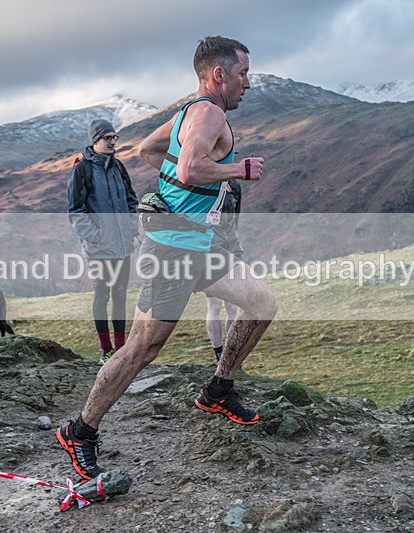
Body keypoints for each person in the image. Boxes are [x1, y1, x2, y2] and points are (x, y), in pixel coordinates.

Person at [57, 36, 278, 481]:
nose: (247, 84)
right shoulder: (209, 112)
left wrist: (181, 194)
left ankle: (219, 388)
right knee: (143, 347)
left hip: (202, 244)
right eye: (243, 74)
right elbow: (189, 169)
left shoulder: (186, 113)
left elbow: (148, 152)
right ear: (219, 74)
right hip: (175, 247)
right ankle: (79, 430)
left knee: (261, 304)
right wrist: (239, 170)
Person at [67, 119, 139, 364]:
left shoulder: (118, 167)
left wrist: (132, 227)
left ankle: (120, 349)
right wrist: (95, 237)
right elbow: (75, 210)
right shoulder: (82, 170)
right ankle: (105, 349)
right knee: (102, 295)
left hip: (122, 245)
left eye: (114, 137)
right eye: (107, 137)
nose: (112, 142)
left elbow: (131, 201)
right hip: (99, 248)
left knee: (120, 295)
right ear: (94, 140)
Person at [205, 179, 243, 362]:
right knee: (214, 305)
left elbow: (236, 219)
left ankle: (230, 354)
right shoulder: (203, 184)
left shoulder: (234, 186)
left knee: (232, 305)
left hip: (232, 249)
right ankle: (219, 354)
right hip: (211, 250)